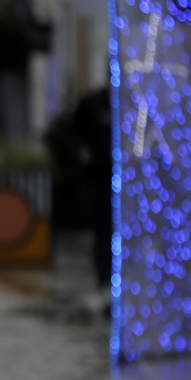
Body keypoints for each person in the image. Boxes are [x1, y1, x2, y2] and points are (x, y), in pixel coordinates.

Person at [69, 84, 113, 310]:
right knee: (104, 237)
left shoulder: (136, 103)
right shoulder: (91, 104)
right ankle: (106, 285)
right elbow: (72, 133)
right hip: (98, 182)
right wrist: (82, 152)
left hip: (126, 183)